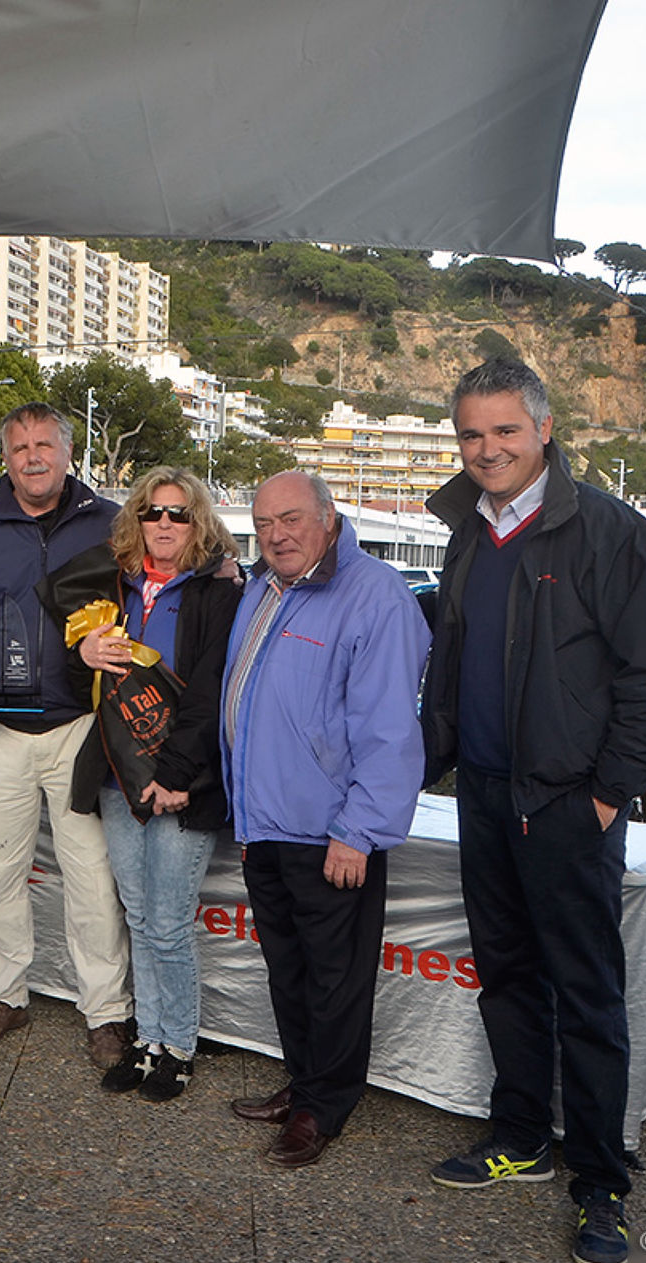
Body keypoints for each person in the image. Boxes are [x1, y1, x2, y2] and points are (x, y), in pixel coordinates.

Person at [421, 358, 646, 1263]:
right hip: (486, 798)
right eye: (471, 433)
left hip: (570, 804)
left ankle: (600, 1181)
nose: (487, 449)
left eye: (504, 430)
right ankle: (518, 1137)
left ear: (543, 429)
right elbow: (453, 662)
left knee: (585, 995)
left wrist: (606, 792)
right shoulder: (466, 531)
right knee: (505, 978)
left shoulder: (617, 538)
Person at [0, 402, 134, 1067]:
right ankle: (5, 993)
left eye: (44, 445)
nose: (32, 457)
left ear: (68, 453)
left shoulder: (111, 523)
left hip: (81, 729)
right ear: (4, 459)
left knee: (91, 878)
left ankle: (107, 1012)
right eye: (19, 448)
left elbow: (161, 588)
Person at [223, 471, 429, 1166]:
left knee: (336, 980)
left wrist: (357, 830)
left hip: (329, 831)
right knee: (289, 972)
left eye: (289, 519)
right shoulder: (262, 587)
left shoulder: (376, 596)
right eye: (263, 524)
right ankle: (303, 1082)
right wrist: (244, 821)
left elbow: (389, 729)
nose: (275, 534)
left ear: (327, 518)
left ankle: (323, 1108)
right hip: (264, 824)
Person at [72, 467, 240, 1100]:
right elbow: (73, 649)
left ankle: (180, 1047)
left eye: (178, 514)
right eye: (152, 512)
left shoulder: (216, 592)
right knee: (138, 917)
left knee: (168, 923)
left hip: (181, 781)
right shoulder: (113, 583)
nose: (164, 524)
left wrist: (174, 777)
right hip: (117, 776)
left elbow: (209, 692)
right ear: (135, 517)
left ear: (198, 523)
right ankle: (147, 1039)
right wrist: (82, 652)